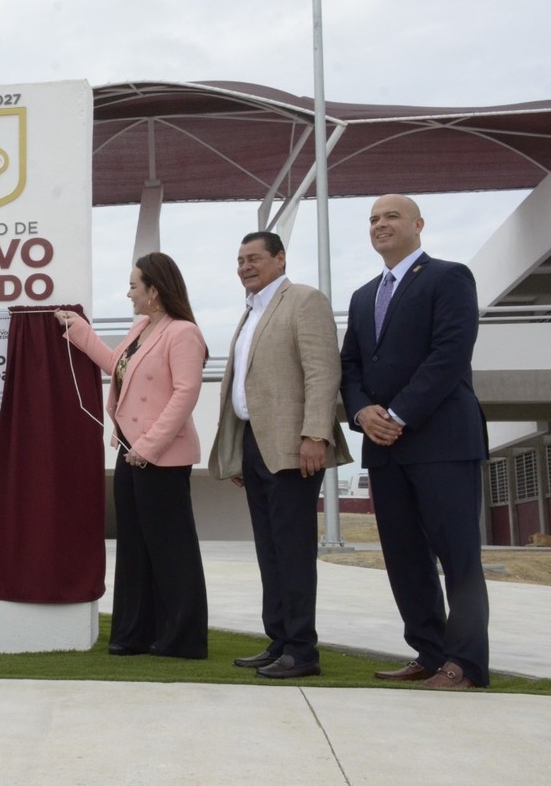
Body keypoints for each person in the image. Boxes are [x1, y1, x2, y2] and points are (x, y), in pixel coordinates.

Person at [340, 194, 490, 689]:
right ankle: (428, 651)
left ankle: (465, 664)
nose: (380, 225)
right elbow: (351, 367)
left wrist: (399, 414)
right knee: (405, 558)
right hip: (384, 450)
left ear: (418, 225)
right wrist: (362, 412)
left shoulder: (449, 277)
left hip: (442, 442)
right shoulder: (364, 296)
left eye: (391, 216)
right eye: (373, 219)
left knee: (457, 557)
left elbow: (449, 354)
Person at [209, 231, 351, 680]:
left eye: (254, 258)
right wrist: (239, 450)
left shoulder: (304, 300)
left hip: (293, 447)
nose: (245, 266)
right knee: (269, 551)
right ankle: (280, 640)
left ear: (279, 258)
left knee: (292, 550)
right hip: (254, 444)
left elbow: (322, 371)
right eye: (239, 259)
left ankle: (303, 650)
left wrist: (314, 435)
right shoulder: (250, 311)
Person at [55, 252, 210, 659]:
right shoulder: (142, 327)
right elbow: (115, 365)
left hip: (161, 456)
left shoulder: (183, 333)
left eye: (133, 286)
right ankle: (134, 633)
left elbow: (185, 394)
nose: (129, 294)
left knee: (171, 548)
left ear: (154, 291)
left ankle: (182, 639)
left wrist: (149, 446)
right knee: (135, 545)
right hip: (128, 449)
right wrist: (80, 330)